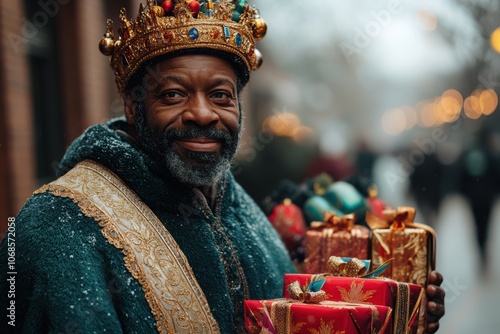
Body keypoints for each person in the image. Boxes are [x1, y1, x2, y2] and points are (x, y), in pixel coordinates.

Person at [0, 1, 445, 333]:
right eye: (173, 94)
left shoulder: (235, 202)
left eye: (221, 95)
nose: (203, 114)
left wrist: (396, 312)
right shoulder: (53, 227)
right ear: (134, 108)